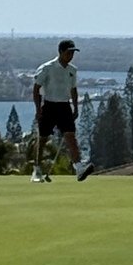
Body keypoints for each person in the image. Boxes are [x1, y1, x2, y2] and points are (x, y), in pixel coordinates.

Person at [30, 40, 93, 182]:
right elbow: (36, 89)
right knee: (42, 140)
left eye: (72, 53)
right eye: (68, 53)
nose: (71, 56)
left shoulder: (72, 70)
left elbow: (73, 90)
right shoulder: (47, 68)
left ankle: (79, 168)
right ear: (60, 52)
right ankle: (37, 170)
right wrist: (38, 109)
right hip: (49, 106)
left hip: (64, 107)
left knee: (71, 137)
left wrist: (76, 107)